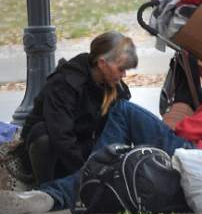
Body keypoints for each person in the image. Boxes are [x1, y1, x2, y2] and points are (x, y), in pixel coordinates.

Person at [0, 59, 202, 214]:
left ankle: (55, 191)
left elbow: (185, 131)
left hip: (197, 154)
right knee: (118, 155)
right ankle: (61, 189)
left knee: (123, 111)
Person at [14, 32, 137, 184]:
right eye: (120, 69)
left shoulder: (115, 88)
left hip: (81, 152)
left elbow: (116, 131)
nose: (124, 74)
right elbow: (61, 136)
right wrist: (85, 175)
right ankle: (45, 187)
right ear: (102, 63)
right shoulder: (65, 83)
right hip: (54, 154)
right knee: (43, 135)